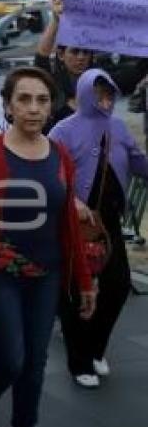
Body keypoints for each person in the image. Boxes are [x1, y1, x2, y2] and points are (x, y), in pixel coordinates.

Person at [0, 66, 97, 427]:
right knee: (10, 361)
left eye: (42, 100)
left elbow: (68, 224)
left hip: (47, 276)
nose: (34, 108)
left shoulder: (60, 156)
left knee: (34, 367)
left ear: (51, 106)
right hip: (0, 275)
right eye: (24, 99)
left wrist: (85, 282)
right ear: (7, 105)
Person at [49, 69, 148, 388]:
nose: (104, 98)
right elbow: (50, 174)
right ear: (84, 92)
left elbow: (137, 162)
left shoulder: (118, 126)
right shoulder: (63, 130)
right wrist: (70, 201)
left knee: (118, 285)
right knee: (76, 292)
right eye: (98, 91)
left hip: (108, 223)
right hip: (73, 223)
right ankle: (79, 363)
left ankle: (95, 348)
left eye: (109, 91)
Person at [35, 0, 93, 129]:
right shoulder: (53, 82)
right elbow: (41, 56)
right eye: (74, 52)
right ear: (61, 55)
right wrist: (55, 20)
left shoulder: (97, 81)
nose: (81, 57)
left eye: (85, 52)